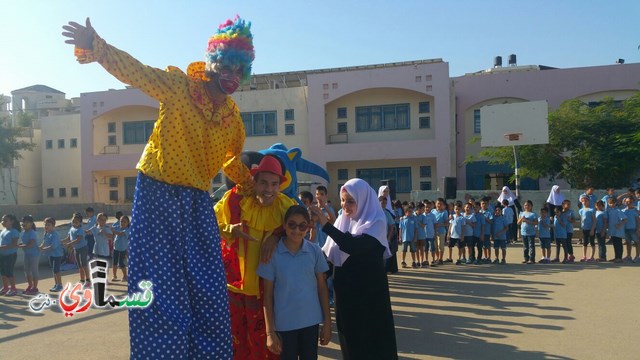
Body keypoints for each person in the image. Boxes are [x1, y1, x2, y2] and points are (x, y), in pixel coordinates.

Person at [63, 15, 254, 358]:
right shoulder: (179, 88)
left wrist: (253, 184)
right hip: (158, 193)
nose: (233, 76)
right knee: (160, 285)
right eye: (228, 66)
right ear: (213, 63)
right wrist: (98, 46)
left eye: (240, 70)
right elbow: (136, 72)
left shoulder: (232, 119)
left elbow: (230, 162)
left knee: (207, 286)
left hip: (197, 202)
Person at [215, 155, 297, 359]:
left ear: (279, 185)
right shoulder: (235, 201)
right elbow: (208, 223)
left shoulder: (286, 206)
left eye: (273, 183)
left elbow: (300, 231)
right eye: (263, 183)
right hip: (236, 287)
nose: (268, 189)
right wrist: (229, 230)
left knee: (268, 347)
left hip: (270, 290)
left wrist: (277, 236)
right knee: (237, 344)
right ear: (255, 182)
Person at [310, 178, 397, 359]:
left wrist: (326, 225)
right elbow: (330, 258)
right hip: (345, 296)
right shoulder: (343, 221)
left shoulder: (376, 221)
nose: (345, 205)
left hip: (369, 297)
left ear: (363, 199)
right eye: (342, 200)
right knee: (350, 342)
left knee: (372, 343)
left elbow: (354, 246)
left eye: (350, 201)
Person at [257, 205, 331, 359]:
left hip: (310, 323)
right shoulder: (272, 254)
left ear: (308, 226)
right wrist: (270, 332)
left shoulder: (314, 251)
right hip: (284, 325)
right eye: (292, 225)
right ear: (284, 226)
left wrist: (327, 322)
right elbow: (268, 296)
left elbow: (322, 289)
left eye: (302, 226)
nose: (297, 230)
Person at [61, 213, 91, 287]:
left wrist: (69, 244)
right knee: (79, 266)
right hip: (76, 249)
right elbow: (68, 238)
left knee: (84, 265)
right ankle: (82, 280)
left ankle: (88, 281)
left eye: (76, 222)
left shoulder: (80, 230)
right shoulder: (71, 228)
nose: (74, 223)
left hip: (83, 248)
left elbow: (78, 240)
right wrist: (61, 241)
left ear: (80, 223)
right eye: (73, 221)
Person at [40, 217, 64, 292]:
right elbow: (43, 243)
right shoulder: (46, 233)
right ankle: (56, 284)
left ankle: (60, 285)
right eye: (45, 225)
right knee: (53, 270)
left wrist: (44, 249)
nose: (46, 226)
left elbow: (53, 246)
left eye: (49, 225)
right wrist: (40, 247)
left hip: (57, 255)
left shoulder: (55, 235)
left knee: (56, 270)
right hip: (51, 255)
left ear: (53, 226)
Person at [18, 215, 40, 295]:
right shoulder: (23, 232)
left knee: (34, 271)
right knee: (27, 271)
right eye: (23, 222)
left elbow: (30, 244)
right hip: (27, 254)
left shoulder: (32, 233)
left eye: (26, 222)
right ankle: (30, 286)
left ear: (31, 224)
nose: (24, 224)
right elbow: (24, 243)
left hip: (34, 255)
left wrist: (19, 246)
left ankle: (35, 287)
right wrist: (20, 244)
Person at [0, 214, 21, 296]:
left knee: (9, 272)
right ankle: (5, 288)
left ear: (12, 222)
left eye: (5, 220)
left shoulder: (14, 232)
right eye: (2, 220)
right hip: (2, 255)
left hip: (10, 255)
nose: (3, 222)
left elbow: (14, 244)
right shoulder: (4, 230)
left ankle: (13, 289)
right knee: (3, 272)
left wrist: (1, 247)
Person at [380, 196, 399, 274]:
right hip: (375, 239)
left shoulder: (386, 213)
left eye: (385, 203)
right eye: (382, 203)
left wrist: (388, 238)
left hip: (384, 238)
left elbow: (391, 226)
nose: (384, 204)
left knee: (384, 257)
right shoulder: (373, 212)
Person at [606, 197, 627, 263]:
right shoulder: (609, 211)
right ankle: (616, 257)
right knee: (615, 244)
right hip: (612, 231)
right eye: (609, 203)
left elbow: (625, 219)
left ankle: (619, 258)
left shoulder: (618, 211)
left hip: (618, 231)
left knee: (618, 244)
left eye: (612, 203)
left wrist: (620, 224)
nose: (611, 204)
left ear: (615, 203)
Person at [111, 215, 130, 282]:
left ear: (128, 223)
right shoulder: (118, 227)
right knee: (114, 263)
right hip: (115, 248)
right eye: (121, 221)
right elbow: (111, 227)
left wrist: (113, 231)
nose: (122, 223)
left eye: (124, 222)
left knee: (121, 263)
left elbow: (120, 234)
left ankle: (125, 275)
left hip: (122, 249)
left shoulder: (127, 230)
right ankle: (114, 276)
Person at [621, 197, 640, 262]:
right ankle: (628, 256)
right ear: (625, 202)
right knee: (628, 243)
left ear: (633, 203)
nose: (628, 203)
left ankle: (637, 256)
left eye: (630, 202)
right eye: (627, 201)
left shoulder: (635, 211)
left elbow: (638, 221)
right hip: (625, 229)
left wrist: (638, 229)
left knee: (637, 242)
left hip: (634, 229)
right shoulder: (623, 211)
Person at [578, 196, 596, 262]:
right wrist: (581, 228)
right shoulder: (580, 210)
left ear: (589, 201)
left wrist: (592, 229)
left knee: (592, 242)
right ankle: (584, 256)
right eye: (583, 201)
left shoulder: (592, 209)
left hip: (591, 228)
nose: (584, 202)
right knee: (584, 243)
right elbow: (582, 219)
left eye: (586, 201)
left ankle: (592, 257)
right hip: (584, 228)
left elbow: (594, 220)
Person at [432, 198, 449, 264]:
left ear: (443, 205)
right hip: (433, 232)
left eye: (441, 204)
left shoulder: (444, 212)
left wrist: (439, 225)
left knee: (440, 246)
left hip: (441, 231)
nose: (439, 205)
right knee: (435, 246)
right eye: (438, 203)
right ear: (435, 204)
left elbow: (447, 223)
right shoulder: (433, 211)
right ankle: (438, 258)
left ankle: (441, 259)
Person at [414, 203, 428, 268]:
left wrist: (418, 221)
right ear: (418, 209)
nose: (424, 210)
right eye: (422, 209)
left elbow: (423, 226)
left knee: (422, 249)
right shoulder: (413, 215)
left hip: (422, 235)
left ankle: (422, 261)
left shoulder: (423, 217)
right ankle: (418, 261)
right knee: (416, 249)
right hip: (415, 236)